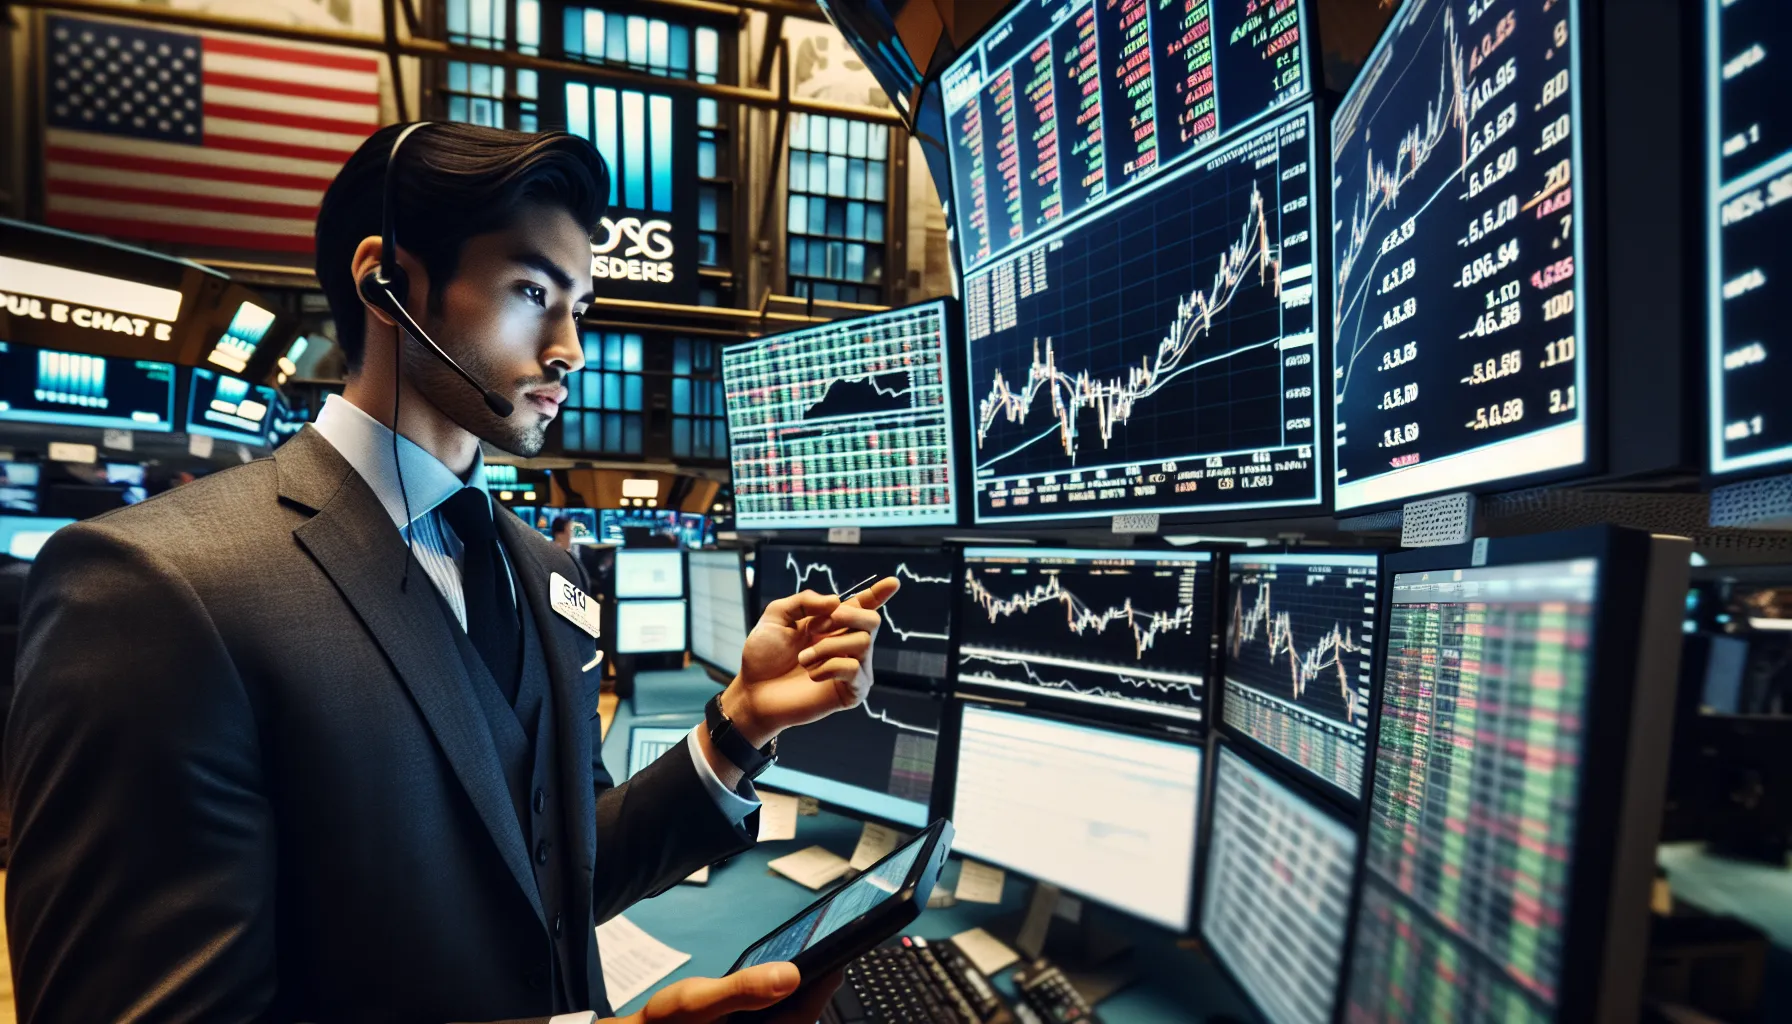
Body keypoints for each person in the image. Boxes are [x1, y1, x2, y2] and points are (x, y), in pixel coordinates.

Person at [4, 122, 900, 1024]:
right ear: (385, 282)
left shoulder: (550, 572)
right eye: (530, 291)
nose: (570, 351)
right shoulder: (156, 587)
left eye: (578, 306)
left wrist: (740, 726)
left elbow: (552, 880)